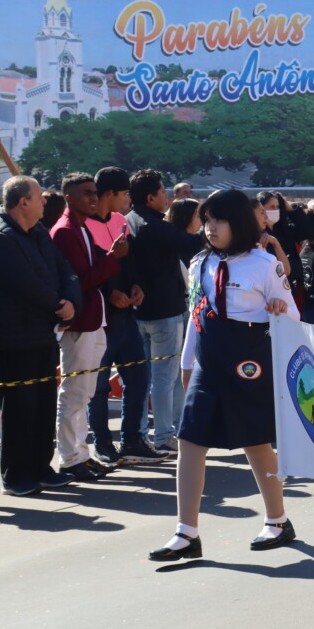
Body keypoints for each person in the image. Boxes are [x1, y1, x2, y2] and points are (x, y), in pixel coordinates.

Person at [148, 190, 299, 562]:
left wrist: (279, 310)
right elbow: (196, 316)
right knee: (190, 440)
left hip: (249, 361)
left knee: (256, 442)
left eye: (220, 220)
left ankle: (277, 520)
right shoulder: (200, 262)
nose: (210, 228)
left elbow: (293, 317)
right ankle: (186, 533)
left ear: (240, 222)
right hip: (208, 362)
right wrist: (187, 365)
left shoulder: (265, 264)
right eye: (207, 220)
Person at [0, 176, 82, 496]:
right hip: (12, 338)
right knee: (19, 409)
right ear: (23, 201)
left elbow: (65, 270)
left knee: (42, 407)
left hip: (41, 333)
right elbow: (27, 286)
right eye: (39, 197)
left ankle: (40, 468)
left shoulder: (37, 231)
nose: (44, 203)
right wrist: (59, 306)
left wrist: (71, 300)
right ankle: (15, 476)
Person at [49, 173, 126, 481]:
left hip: (94, 319)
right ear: (69, 198)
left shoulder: (80, 227)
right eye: (86, 193)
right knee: (74, 392)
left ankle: (81, 453)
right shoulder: (65, 231)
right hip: (79, 322)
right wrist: (113, 257)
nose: (93, 198)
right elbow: (82, 279)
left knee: (86, 391)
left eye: (95, 192)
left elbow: (93, 271)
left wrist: (109, 258)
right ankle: (70, 458)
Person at [86, 167, 164, 466]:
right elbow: (86, 271)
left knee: (138, 379)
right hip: (100, 319)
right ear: (110, 194)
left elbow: (129, 264)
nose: (128, 200)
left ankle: (132, 440)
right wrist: (109, 294)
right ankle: (102, 443)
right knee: (99, 386)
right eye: (124, 194)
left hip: (127, 316)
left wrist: (136, 285)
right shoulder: (85, 225)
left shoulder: (121, 222)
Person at [128, 169, 200, 454]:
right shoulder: (155, 225)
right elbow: (192, 243)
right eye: (162, 192)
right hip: (165, 311)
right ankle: (165, 435)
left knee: (145, 378)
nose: (167, 197)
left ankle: (144, 434)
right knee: (165, 377)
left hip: (139, 312)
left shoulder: (128, 221)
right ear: (150, 197)